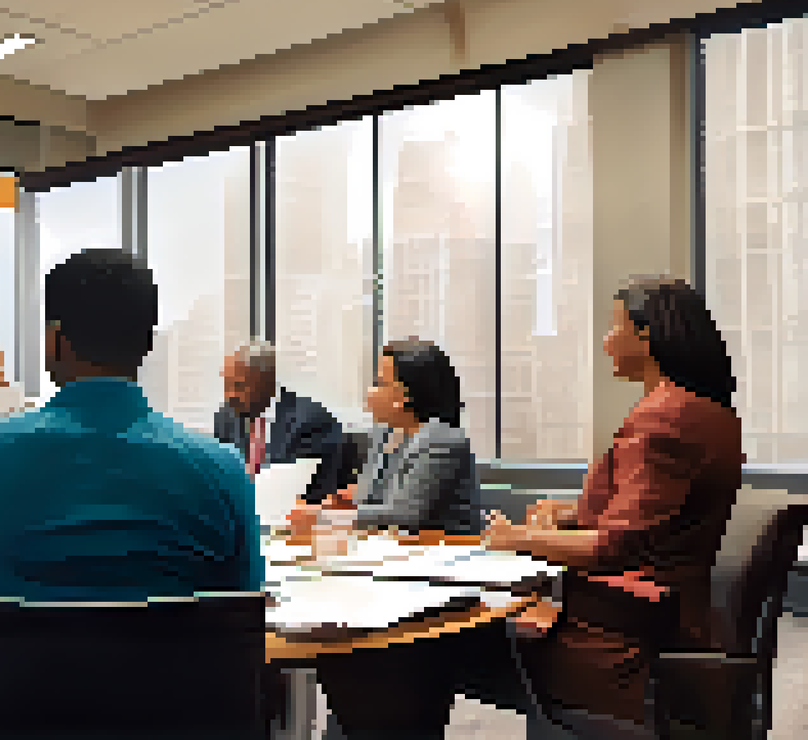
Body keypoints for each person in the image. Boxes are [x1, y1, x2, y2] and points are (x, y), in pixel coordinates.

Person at [0, 247, 262, 606]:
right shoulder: (222, 471)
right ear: (148, 345)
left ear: (54, 342)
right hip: (172, 692)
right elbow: (243, 604)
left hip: (7, 690)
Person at [483, 276, 743, 733]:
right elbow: (656, 521)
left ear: (644, 335)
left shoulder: (665, 417)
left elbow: (615, 548)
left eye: (613, 327)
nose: (606, 342)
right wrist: (567, 516)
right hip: (665, 613)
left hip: (618, 633)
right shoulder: (707, 411)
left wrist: (515, 538)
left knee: (422, 652)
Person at [288, 337, 481, 536]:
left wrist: (323, 517)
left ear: (403, 395)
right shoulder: (385, 433)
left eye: (379, 383)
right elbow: (366, 496)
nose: (370, 392)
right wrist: (337, 504)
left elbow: (404, 514)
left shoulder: (442, 440)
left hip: (444, 553)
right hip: (391, 548)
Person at [214, 341, 349, 503]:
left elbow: (313, 489)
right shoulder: (226, 417)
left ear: (266, 381)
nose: (230, 395)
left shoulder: (311, 421)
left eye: (238, 385)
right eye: (226, 386)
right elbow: (221, 476)